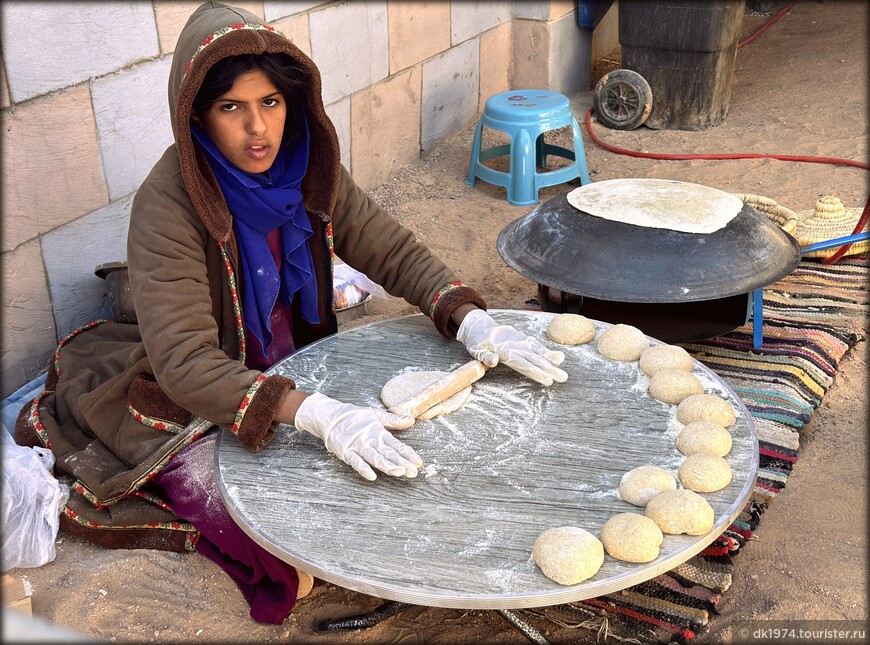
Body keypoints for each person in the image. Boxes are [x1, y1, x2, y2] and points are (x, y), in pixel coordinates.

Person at [15, 1, 567, 626]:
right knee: (285, 549)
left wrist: (469, 317)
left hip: (287, 349)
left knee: (411, 468)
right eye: (232, 108)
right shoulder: (166, 206)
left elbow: (387, 247)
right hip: (205, 380)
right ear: (196, 114)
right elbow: (186, 362)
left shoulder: (308, 164)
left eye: (271, 102)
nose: (258, 130)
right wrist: (318, 413)